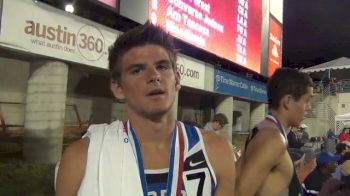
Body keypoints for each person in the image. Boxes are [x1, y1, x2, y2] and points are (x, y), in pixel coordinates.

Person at [55, 23, 236, 195]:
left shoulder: (217, 151)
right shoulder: (81, 157)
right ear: (118, 87)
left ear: (177, 80)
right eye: (137, 70)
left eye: (162, 66)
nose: (154, 76)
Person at [235, 68, 314, 196]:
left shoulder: (262, 129)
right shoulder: (273, 139)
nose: (309, 108)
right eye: (307, 100)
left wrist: (288, 168)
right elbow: (238, 192)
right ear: (288, 101)